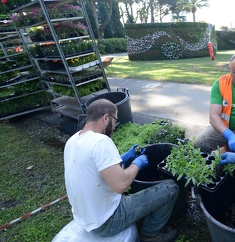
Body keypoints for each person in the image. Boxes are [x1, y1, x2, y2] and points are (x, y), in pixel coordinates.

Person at [64, 99, 179, 242]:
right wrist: (137, 163)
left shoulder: (73, 140)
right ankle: (150, 235)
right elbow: (121, 185)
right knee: (171, 188)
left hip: (86, 217)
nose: (114, 127)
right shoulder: (100, 141)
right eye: (115, 121)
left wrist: (123, 158)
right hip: (108, 221)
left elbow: (95, 167)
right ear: (106, 118)